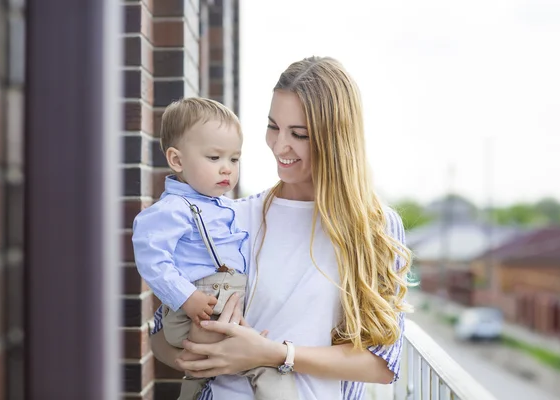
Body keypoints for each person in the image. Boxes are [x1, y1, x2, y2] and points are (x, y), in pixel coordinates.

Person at [149, 56, 413, 400]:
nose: (279, 145)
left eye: (299, 134)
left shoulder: (374, 228)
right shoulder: (229, 218)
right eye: (273, 127)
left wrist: (274, 354)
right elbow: (159, 333)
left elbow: (382, 364)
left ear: (335, 140)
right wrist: (202, 357)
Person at [132, 98, 299, 400]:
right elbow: (152, 258)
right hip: (195, 311)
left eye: (234, 160)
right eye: (214, 157)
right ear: (177, 160)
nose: (227, 169)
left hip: (222, 305)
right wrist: (187, 297)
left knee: (248, 366)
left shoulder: (224, 207)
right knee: (258, 366)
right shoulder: (173, 208)